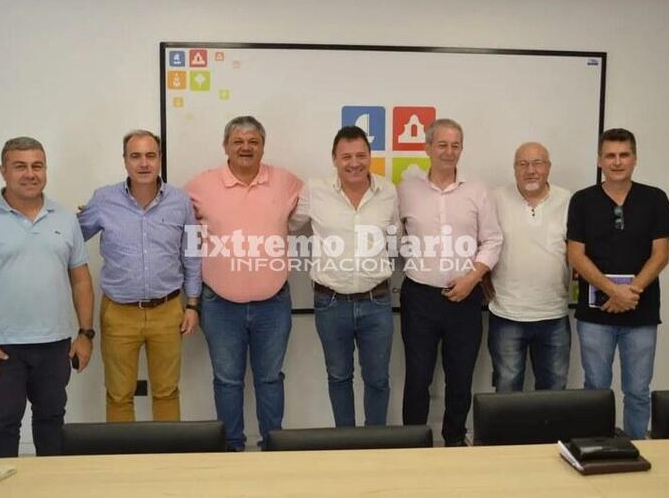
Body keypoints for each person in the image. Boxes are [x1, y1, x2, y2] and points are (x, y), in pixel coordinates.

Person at [0, 137, 94, 457]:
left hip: (55, 345)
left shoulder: (64, 218)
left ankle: (52, 489)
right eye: (20, 166)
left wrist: (85, 334)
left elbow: (81, 281)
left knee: (51, 422)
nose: (30, 173)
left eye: (37, 165)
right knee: (4, 424)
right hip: (0, 348)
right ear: (3, 171)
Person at [185, 116, 303, 451]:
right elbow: (170, 219)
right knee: (226, 381)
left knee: (269, 379)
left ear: (263, 146)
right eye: (238, 141)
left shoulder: (286, 183)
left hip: (273, 304)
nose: (246, 147)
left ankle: (272, 447)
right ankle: (232, 449)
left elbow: (319, 207)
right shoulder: (200, 186)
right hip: (219, 305)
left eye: (253, 141)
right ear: (225, 146)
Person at [78, 130, 201, 422]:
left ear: (159, 159)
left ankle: (165, 464)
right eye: (135, 156)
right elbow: (72, 238)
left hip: (168, 311)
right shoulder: (103, 199)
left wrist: (193, 304)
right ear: (125, 161)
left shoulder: (180, 201)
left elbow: (192, 253)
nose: (143, 163)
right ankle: (124, 466)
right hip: (119, 313)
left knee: (167, 392)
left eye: (150, 155)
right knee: (119, 394)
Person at [567, 128, 669, 439]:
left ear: (635, 159)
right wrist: (612, 290)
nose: (617, 162)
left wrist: (630, 293)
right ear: (599, 160)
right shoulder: (582, 200)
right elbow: (575, 255)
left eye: (624, 155)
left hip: (641, 313)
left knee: (638, 391)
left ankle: (637, 448)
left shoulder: (655, 198)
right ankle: (597, 449)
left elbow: (661, 254)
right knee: (596, 390)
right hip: (595, 315)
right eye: (610, 155)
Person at [398, 118, 502, 446]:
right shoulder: (406, 190)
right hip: (419, 298)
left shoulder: (477, 191)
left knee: (460, 377)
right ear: (427, 148)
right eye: (442, 144)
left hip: (465, 297)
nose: (449, 151)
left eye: (455, 145)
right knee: (417, 378)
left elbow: (493, 240)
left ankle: (455, 440)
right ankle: (414, 442)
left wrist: (473, 278)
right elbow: (396, 237)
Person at [290, 126, 398, 426]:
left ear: (370, 157)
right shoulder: (315, 190)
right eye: (346, 156)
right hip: (331, 302)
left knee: (377, 378)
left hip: (377, 302)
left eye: (361, 155)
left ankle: (374, 441)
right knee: (338, 376)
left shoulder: (388, 191)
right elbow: (289, 224)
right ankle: (346, 442)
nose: (354, 163)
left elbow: (395, 237)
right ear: (334, 159)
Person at [486, 142, 571, 392]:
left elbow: (579, 251)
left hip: (554, 314)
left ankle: (551, 434)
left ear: (548, 167)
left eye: (538, 163)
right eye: (523, 164)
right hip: (507, 313)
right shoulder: (495, 199)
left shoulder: (568, 200)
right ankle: (507, 435)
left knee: (554, 391)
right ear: (514, 169)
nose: (530, 170)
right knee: (506, 389)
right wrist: (482, 278)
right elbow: (482, 244)